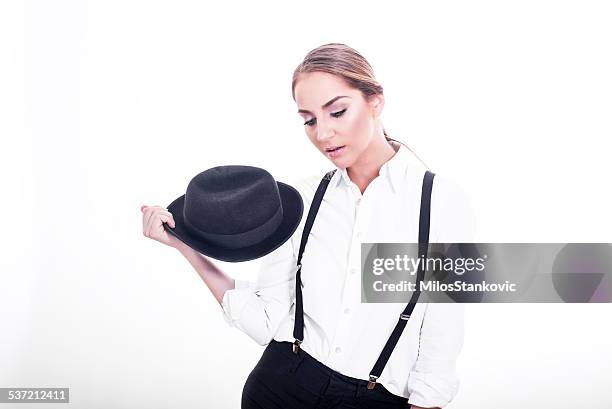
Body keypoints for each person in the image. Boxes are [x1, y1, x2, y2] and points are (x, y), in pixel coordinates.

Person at [141, 43, 475, 409]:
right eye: (310, 120)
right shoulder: (302, 199)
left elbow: (443, 328)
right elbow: (266, 320)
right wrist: (186, 248)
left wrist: (428, 402)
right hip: (278, 388)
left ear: (375, 101)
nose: (323, 134)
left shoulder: (441, 201)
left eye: (337, 112)